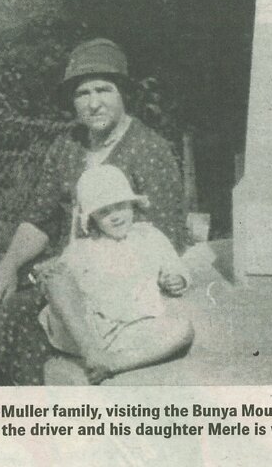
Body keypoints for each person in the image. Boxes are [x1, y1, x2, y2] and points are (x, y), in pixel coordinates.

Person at [0, 38, 188, 385]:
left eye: (104, 90)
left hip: (123, 282)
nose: (93, 104)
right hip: (71, 270)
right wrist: (5, 273)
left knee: (20, 316)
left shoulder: (149, 151)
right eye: (82, 94)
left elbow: (166, 237)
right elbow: (38, 218)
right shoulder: (66, 147)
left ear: (123, 95)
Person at [36, 164, 193, 385]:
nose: (115, 217)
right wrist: (49, 273)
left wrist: (176, 278)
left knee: (182, 330)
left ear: (132, 204)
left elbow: (174, 265)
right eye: (104, 212)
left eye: (120, 206)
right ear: (92, 218)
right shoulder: (84, 247)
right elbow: (62, 290)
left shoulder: (150, 237)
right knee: (56, 278)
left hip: (132, 327)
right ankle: (92, 353)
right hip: (85, 330)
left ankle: (112, 363)